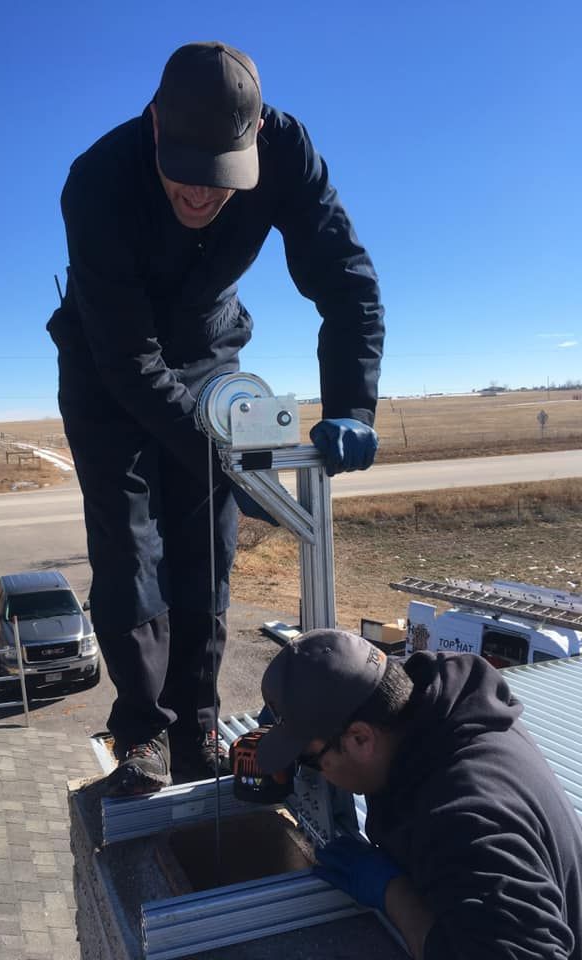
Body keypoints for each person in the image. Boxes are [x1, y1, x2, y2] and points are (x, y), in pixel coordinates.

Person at [47, 42, 384, 797]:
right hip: (110, 365)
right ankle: (142, 729)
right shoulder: (97, 181)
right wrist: (216, 445)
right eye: (184, 175)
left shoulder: (289, 152)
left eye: (220, 179)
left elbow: (349, 283)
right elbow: (129, 361)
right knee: (131, 548)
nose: (201, 196)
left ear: (257, 134)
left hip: (209, 355)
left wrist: (353, 404)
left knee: (208, 546)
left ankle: (197, 721)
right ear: (155, 122)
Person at [257, 629, 582, 959]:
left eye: (308, 761)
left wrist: (394, 894)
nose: (311, 772)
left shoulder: (462, 822)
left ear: (360, 739)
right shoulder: (426, 707)